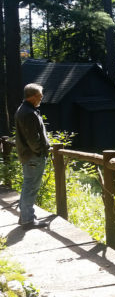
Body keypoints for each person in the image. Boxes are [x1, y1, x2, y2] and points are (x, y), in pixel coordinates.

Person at [15, 83, 50, 229]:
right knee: (31, 187)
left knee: (28, 185)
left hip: (30, 156)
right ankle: (28, 220)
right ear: (33, 96)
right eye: (40, 95)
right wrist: (40, 152)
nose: (42, 98)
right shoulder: (27, 113)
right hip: (33, 157)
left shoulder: (26, 110)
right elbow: (32, 139)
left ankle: (25, 217)